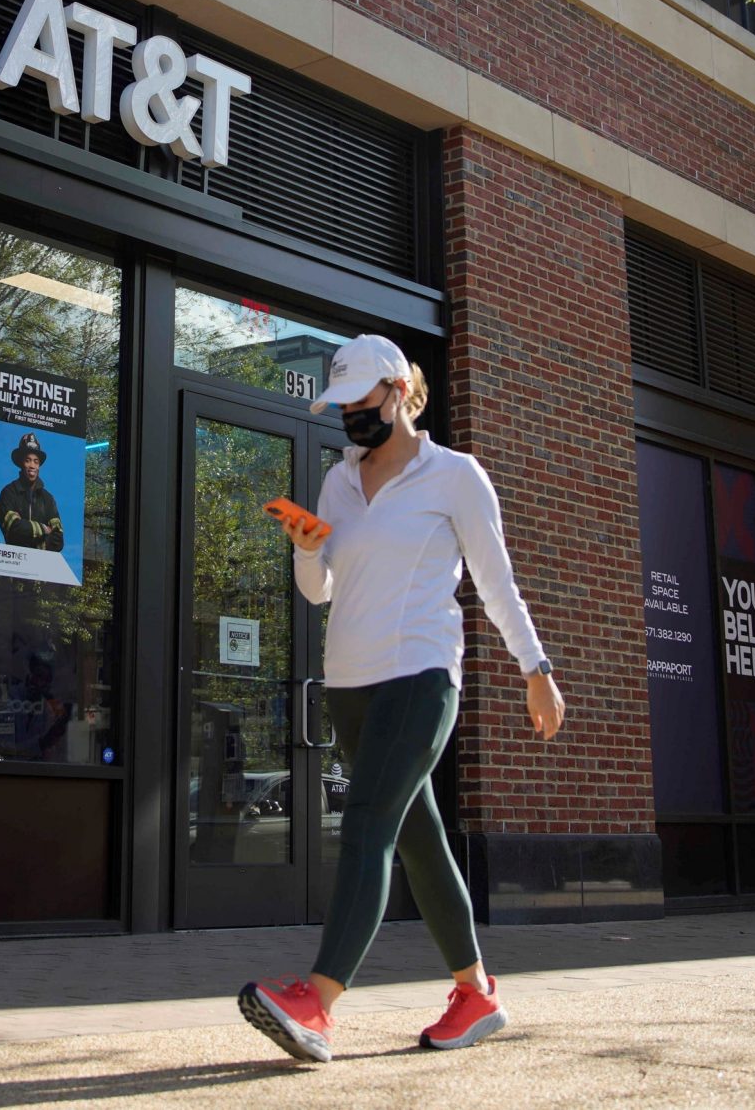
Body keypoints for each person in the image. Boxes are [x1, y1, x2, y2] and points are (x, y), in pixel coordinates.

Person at [238, 334, 565, 1064]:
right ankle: (476, 992)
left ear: (396, 389)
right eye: (342, 407)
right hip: (351, 686)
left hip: (420, 676)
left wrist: (535, 667)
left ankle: (317, 1002)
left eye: (361, 402)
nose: (351, 416)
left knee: (366, 823)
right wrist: (304, 545)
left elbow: (495, 581)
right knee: (417, 837)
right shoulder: (336, 482)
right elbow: (321, 591)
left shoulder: (455, 476)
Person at [0, 432, 64, 550]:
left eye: (36, 461)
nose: (32, 465)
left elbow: (58, 541)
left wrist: (26, 530)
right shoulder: (9, 492)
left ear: (39, 465)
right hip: (14, 562)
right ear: (21, 463)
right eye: (28, 460)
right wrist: (43, 529)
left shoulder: (48, 499)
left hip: (40, 565)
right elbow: (13, 528)